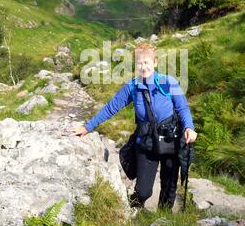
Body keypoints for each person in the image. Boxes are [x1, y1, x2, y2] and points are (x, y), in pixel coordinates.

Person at [71, 43, 197, 210]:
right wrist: (88, 127)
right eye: (139, 63)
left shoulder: (168, 82)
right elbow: (111, 107)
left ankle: (163, 218)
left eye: (147, 62)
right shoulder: (132, 87)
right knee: (143, 191)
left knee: (169, 187)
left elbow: (182, 108)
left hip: (170, 139)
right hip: (146, 142)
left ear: (155, 62)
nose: (143, 67)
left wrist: (189, 127)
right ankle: (134, 209)